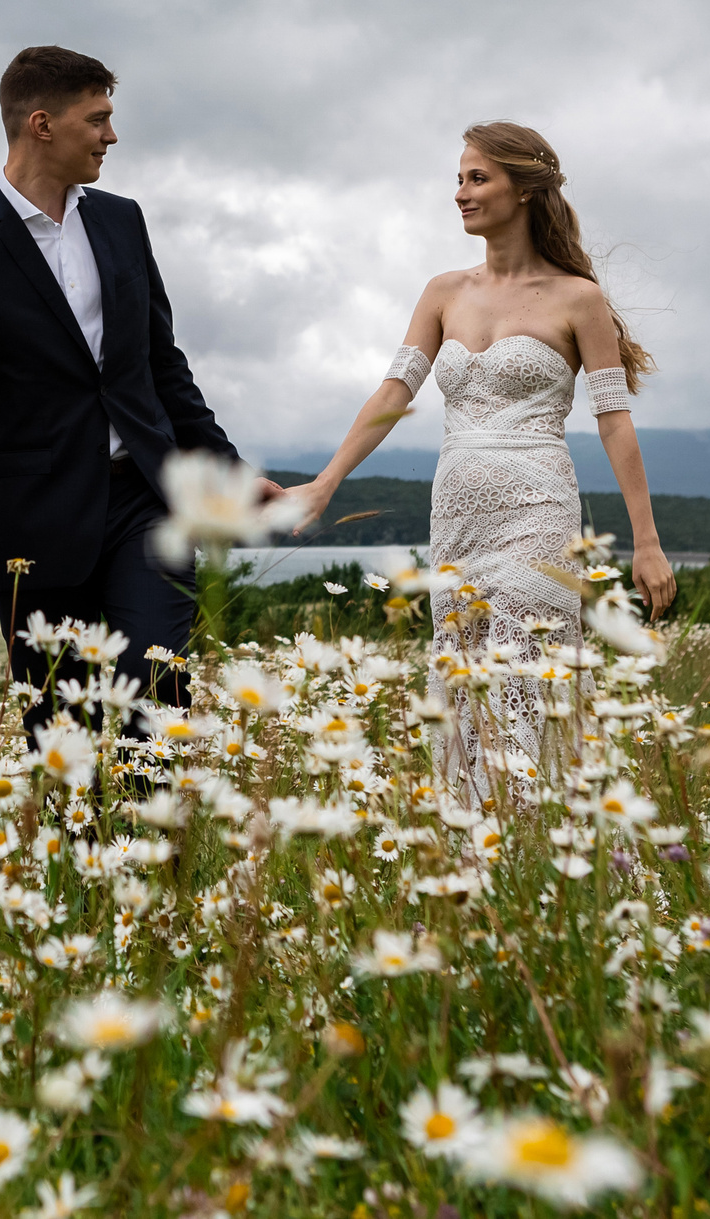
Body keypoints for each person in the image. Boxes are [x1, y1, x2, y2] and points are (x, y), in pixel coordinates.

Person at [280, 121, 673, 808]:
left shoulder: (578, 298)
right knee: (463, 687)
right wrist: (326, 480)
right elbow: (393, 392)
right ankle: (476, 857)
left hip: (538, 512)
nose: (460, 191)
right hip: (457, 517)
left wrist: (647, 540)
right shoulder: (442, 292)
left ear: (524, 189)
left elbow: (614, 422)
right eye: (459, 177)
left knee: (526, 680)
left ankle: (541, 837)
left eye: (477, 177)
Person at [0, 45, 270, 737]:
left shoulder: (122, 219)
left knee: (155, 710)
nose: (112, 135)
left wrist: (227, 471)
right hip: (34, 529)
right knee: (62, 738)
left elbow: (162, 366)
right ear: (42, 124)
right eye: (97, 118)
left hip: (145, 506)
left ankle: (154, 841)